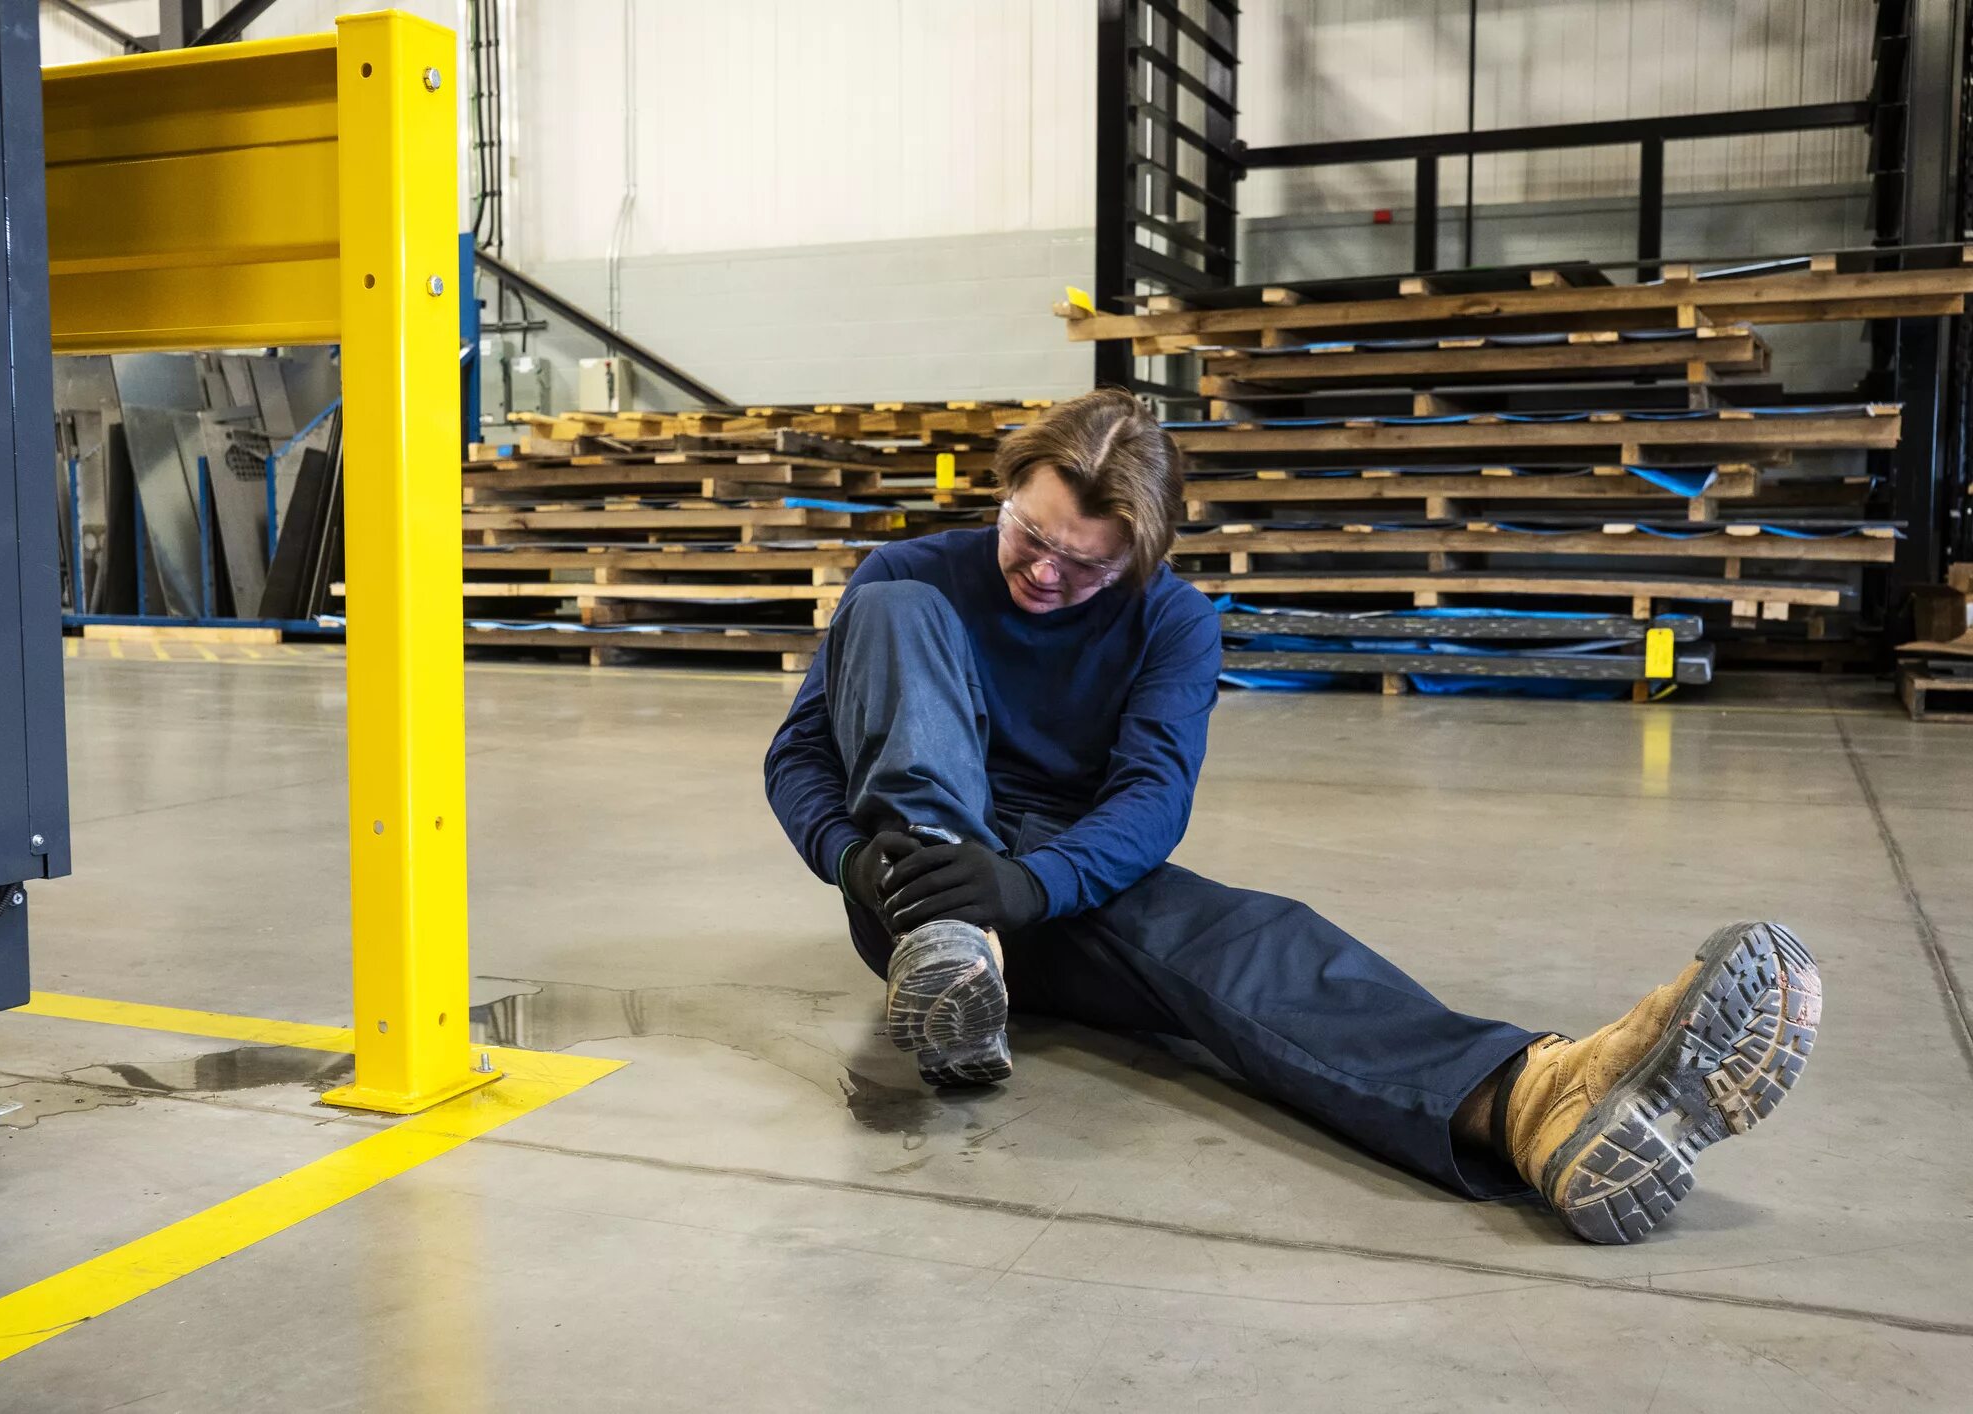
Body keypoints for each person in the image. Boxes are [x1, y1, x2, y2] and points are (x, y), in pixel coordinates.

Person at [762, 387, 1821, 1245]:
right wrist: (858, 863)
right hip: (911, 885)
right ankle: (952, 954)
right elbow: (802, 753)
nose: (1042, 571)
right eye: (1027, 535)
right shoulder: (910, 574)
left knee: (1242, 939)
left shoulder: (1170, 622)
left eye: (1082, 564)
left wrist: (1031, 884)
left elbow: (1149, 797)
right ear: (1004, 494)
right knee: (901, 611)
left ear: (1140, 556)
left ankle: (1529, 1106)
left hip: (1053, 876)